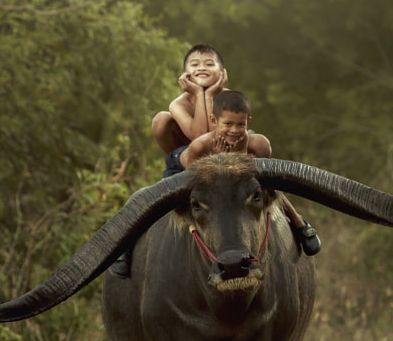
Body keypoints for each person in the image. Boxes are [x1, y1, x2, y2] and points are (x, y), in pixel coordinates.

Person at [110, 91, 320, 278]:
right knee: (142, 198)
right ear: (215, 121)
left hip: (233, 182)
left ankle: (299, 223)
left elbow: (241, 174)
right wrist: (216, 161)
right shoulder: (197, 137)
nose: (234, 130)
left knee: (269, 190)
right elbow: (194, 181)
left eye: (240, 125)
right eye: (228, 124)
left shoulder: (243, 134)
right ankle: (123, 247)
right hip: (192, 175)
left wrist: (228, 161)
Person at [151, 44, 229, 175]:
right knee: (161, 119)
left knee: (260, 142)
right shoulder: (179, 104)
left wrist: (209, 96)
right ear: (185, 75)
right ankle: (180, 169)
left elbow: (218, 137)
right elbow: (199, 137)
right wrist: (199, 94)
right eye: (195, 64)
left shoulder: (230, 98)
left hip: (224, 150)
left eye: (209, 64)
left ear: (222, 73)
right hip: (190, 153)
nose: (202, 68)